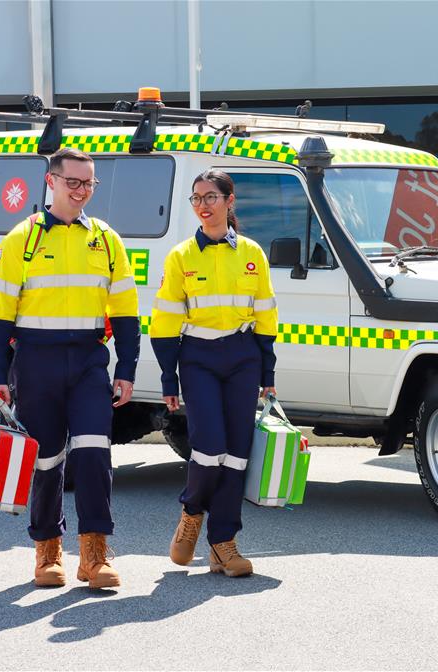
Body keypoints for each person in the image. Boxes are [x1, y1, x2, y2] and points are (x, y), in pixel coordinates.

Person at [0, 148, 140, 589]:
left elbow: (126, 311)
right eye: (74, 182)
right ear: (51, 181)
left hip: (89, 361)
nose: (82, 191)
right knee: (47, 459)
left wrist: (126, 367)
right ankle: (47, 551)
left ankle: (94, 554)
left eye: (89, 184)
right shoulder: (22, 239)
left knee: (94, 454)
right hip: (35, 362)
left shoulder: (106, 239)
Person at [150, 170, 278, 577]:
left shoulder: (253, 253)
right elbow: (166, 322)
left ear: (229, 201)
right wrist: (168, 378)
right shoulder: (181, 256)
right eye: (196, 199)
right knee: (208, 448)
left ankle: (223, 545)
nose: (203, 205)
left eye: (211, 197)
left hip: (243, 357)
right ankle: (192, 512)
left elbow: (266, 316)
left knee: (237, 454)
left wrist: (268, 371)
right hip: (199, 358)